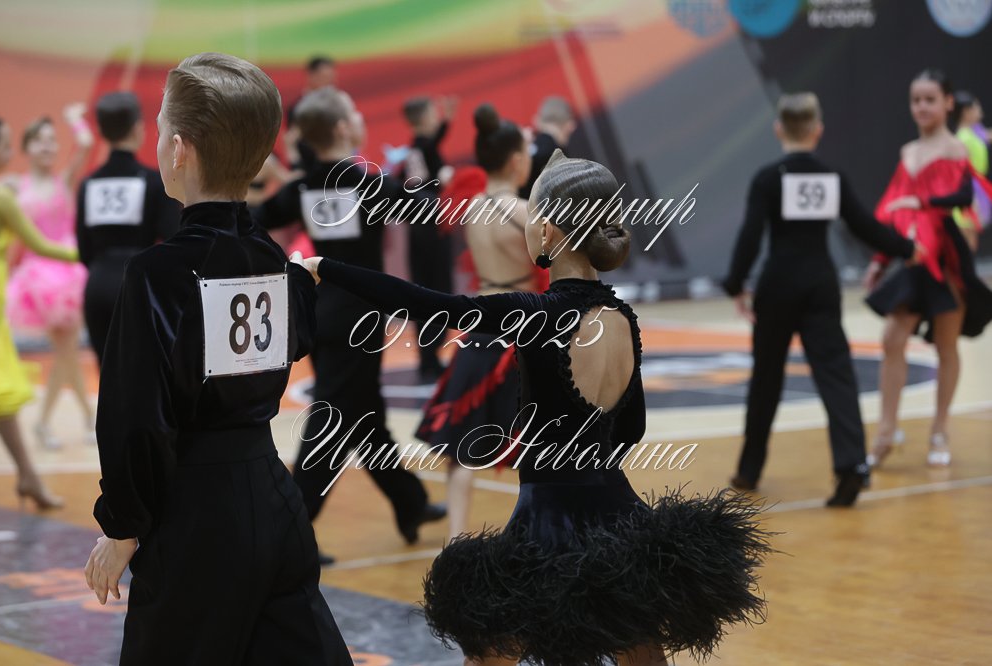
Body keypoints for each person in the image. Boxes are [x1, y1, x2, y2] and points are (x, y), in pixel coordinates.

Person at [299, 149, 770, 666]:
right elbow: (630, 429)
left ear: (546, 232)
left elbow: (430, 305)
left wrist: (327, 268)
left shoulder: (536, 315)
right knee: (642, 655)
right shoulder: (624, 318)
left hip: (547, 523)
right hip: (620, 517)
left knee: (489, 657)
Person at [83, 52, 353, 666]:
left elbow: (135, 419)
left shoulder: (156, 274)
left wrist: (122, 527)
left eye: (160, 129)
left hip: (193, 518)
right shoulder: (274, 261)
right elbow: (292, 342)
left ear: (178, 150)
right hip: (274, 500)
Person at [253, 87, 445, 565]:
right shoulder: (366, 183)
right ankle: (290, 528)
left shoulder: (303, 187)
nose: (360, 119)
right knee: (333, 423)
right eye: (355, 114)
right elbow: (420, 206)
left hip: (323, 313)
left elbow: (258, 217)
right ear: (342, 128)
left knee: (365, 415)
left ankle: (409, 502)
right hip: (359, 317)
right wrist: (433, 181)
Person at [722, 92, 922, 506]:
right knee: (836, 375)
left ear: (779, 129)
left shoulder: (767, 178)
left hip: (777, 286)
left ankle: (749, 469)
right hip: (819, 285)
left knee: (766, 379)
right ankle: (851, 466)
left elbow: (750, 236)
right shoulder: (831, 177)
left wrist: (735, 284)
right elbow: (864, 226)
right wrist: (907, 248)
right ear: (818, 131)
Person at [414, 103, 536, 539]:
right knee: (535, 443)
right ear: (516, 161)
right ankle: (539, 535)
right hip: (518, 328)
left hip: (480, 325)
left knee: (461, 449)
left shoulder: (472, 207)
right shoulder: (524, 212)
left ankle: (455, 541)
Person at [864, 69, 992, 469]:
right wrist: (880, 259)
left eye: (930, 99)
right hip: (913, 256)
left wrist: (921, 204)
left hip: (946, 257)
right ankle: (887, 430)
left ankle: (940, 428)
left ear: (948, 103)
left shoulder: (955, 149)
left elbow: (961, 196)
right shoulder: (908, 152)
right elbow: (893, 212)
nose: (921, 106)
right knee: (892, 338)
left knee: (945, 342)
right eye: (916, 99)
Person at [0, 114, 76, 510]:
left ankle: (28, 474)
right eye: (6, 144)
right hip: (2, 293)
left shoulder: (7, 191)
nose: (11, 151)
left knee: (1, 394)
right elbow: (40, 245)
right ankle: (29, 474)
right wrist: (87, 254)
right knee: (0, 391)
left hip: (3, 297)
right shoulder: (3, 196)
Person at [6, 106, 94, 448]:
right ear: (26, 147)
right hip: (38, 281)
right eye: (39, 140)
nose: (47, 146)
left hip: (68, 274)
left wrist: (73, 119)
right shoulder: (15, 186)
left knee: (65, 352)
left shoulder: (65, 180)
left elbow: (85, 144)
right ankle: (81, 418)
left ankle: (55, 422)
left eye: (52, 140)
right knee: (67, 352)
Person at [76, 91, 180, 367]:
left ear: (100, 131)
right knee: (143, 371)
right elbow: (174, 238)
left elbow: (84, 250)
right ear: (138, 128)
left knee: (107, 372)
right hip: (138, 284)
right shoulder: (153, 181)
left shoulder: (88, 184)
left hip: (97, 286)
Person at [401, 94, 457, 380]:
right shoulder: (422, 148)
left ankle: (428, 358)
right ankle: (429, 357)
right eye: (433, 114)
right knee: (437, 289)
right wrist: (445, 180)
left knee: (424, 289)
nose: (436, 118)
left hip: (419, 229)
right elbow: (433, 148)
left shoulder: (415, 150)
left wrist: (446, 121)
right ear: (423, 118)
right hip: (431, 229)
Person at [949, 90, 989, 250]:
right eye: (976, 108)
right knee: (967, 242)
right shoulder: (962, 138)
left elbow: (986, 135)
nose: (980, 111)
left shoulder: (974, 131)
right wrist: (968, 198)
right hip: (968, 193)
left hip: (977, 190)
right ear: (966, 112)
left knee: (972, 240)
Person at [518, 96, 577, 200]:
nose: (573, 127)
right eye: (571, 120)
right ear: (567, 123)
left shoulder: (531, 151)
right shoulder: (555, 154)